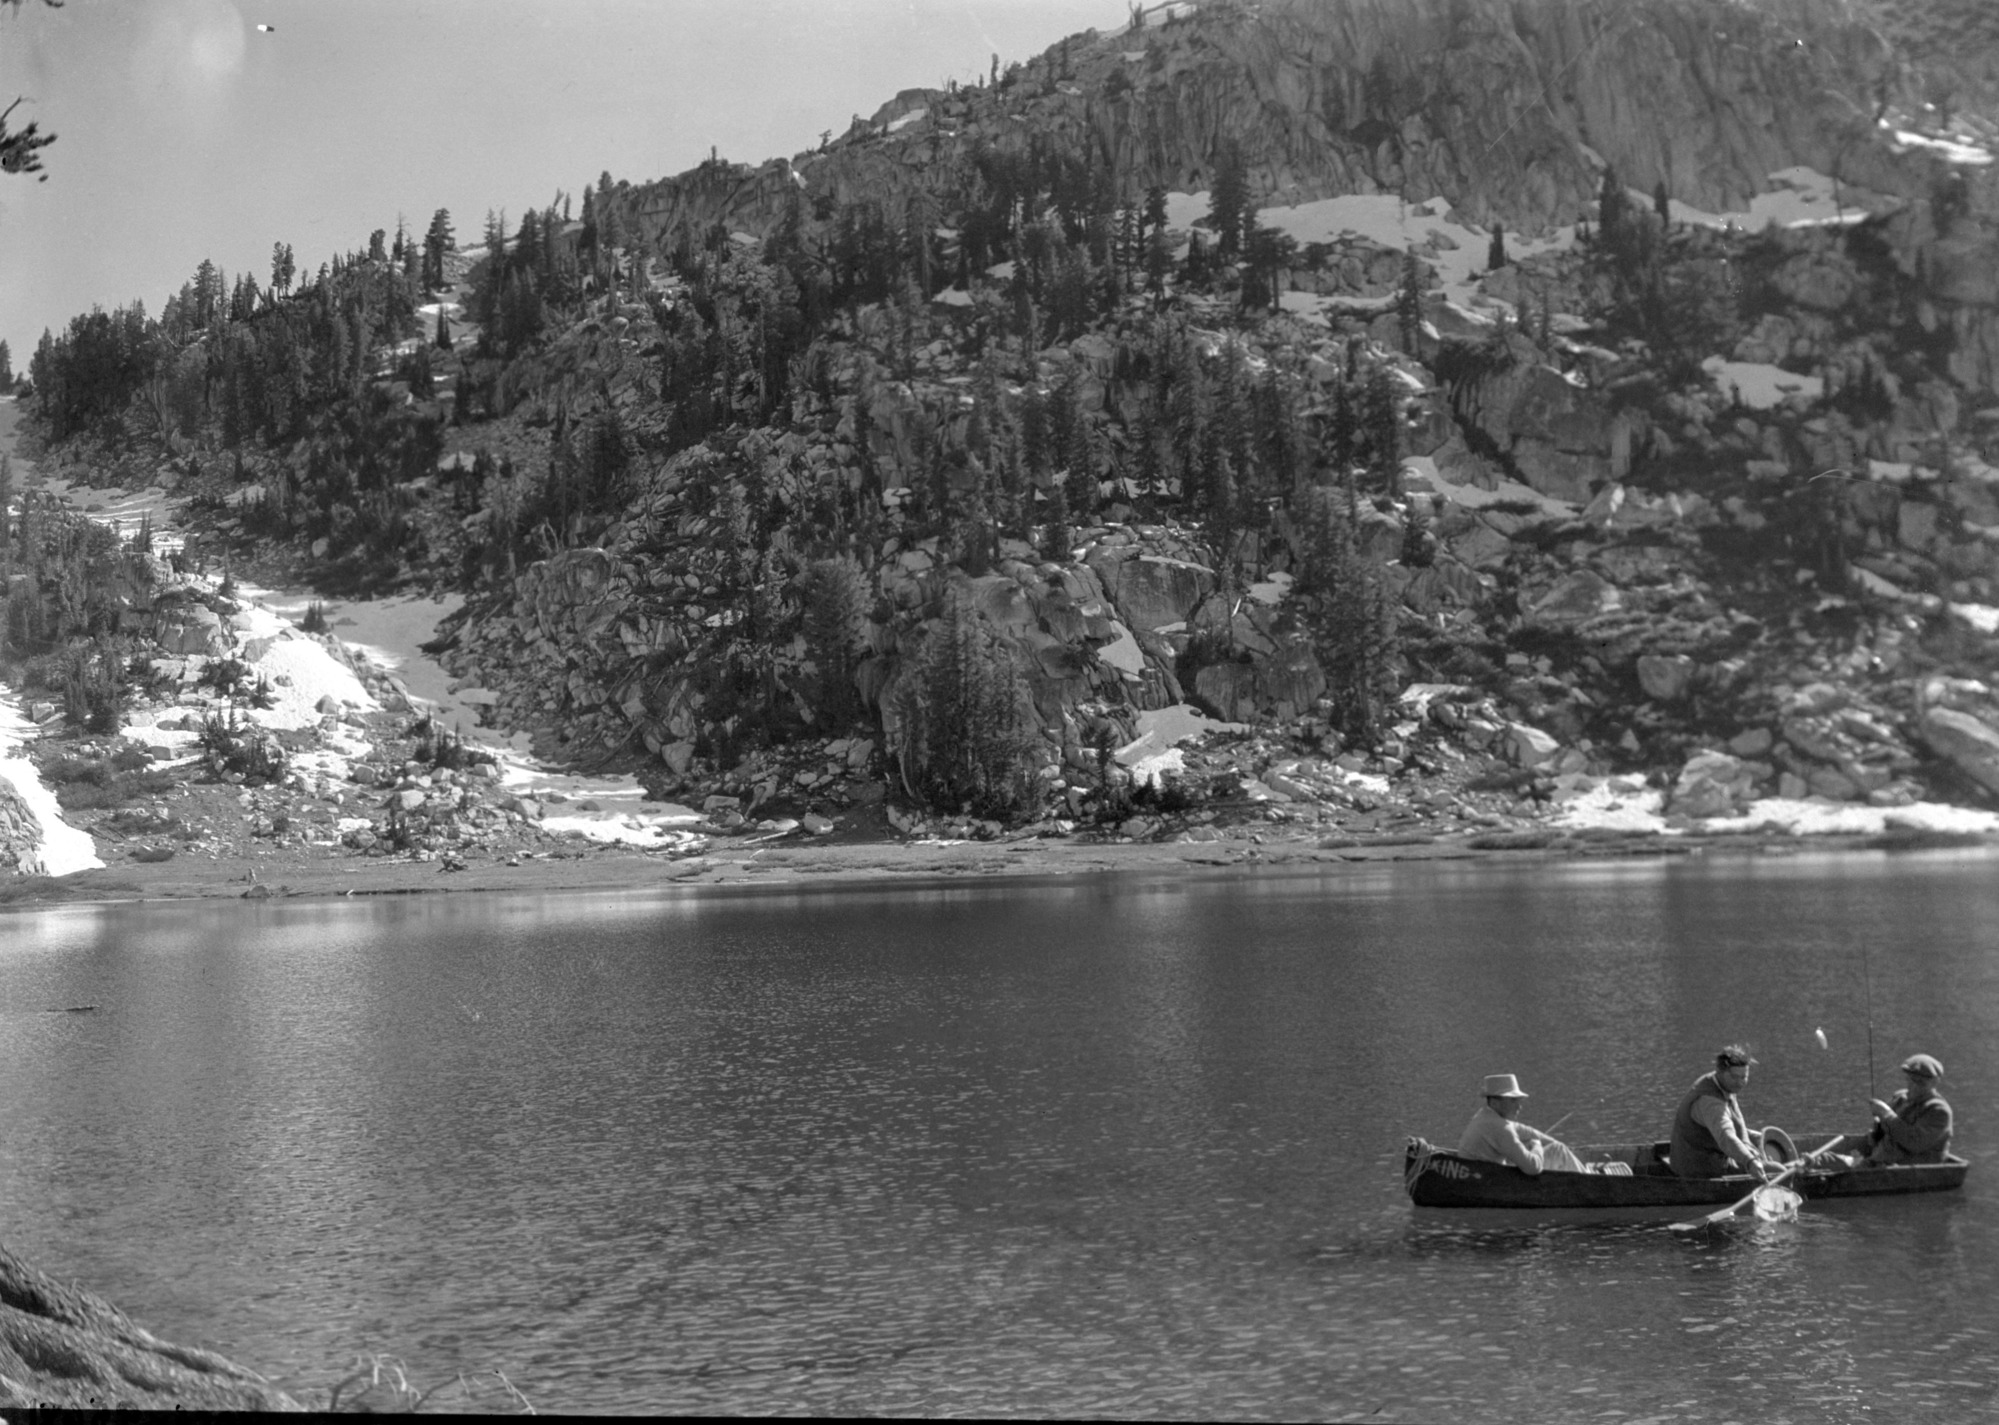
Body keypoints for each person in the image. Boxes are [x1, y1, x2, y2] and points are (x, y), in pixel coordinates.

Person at [1458, 1073, 1631, 1175]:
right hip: (1492, 1181)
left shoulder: (1486, 1116)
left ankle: (1581, 1171)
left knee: (1557, 1147)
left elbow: (1526, 1131)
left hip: (1485, 1174)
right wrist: (1537, 1146)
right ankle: (1589, 1180)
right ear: (1495, 1102)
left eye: (1518, 1100)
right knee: (1558, 1152)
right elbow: (1533, 1168)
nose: (1519, 1105)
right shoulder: (1500, 1128)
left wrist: (1550, 1142)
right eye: (1513, 1100)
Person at [1825, 1054, 1954, 1168]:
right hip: (1880, 1159)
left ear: (1934, 1083)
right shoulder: (1900, 1098)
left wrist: (1886, 1114)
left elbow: (1914, 1142)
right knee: (1822, 1160)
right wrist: (1878, 1128)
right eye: (1911, 1081)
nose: (1914, 1086)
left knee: (1826, 1164)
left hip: (1904, 1167)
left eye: (1921, 1083)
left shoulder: (1938, 1110)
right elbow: (1884, 1133)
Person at [1669, 1045, 1774, 1180]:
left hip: (1713, 1156)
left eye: (1744, 1077)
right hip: (1700, 1169)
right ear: (1719, 1071)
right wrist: (1750, 1161)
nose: (1740, 1083)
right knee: (1777, 1170)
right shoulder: (1710, 1102)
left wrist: (1753, 1139)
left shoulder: (1725, 1085)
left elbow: (1734, 1123)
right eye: (1735, 1077)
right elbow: (1726, 1136)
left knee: (1765, 1145)